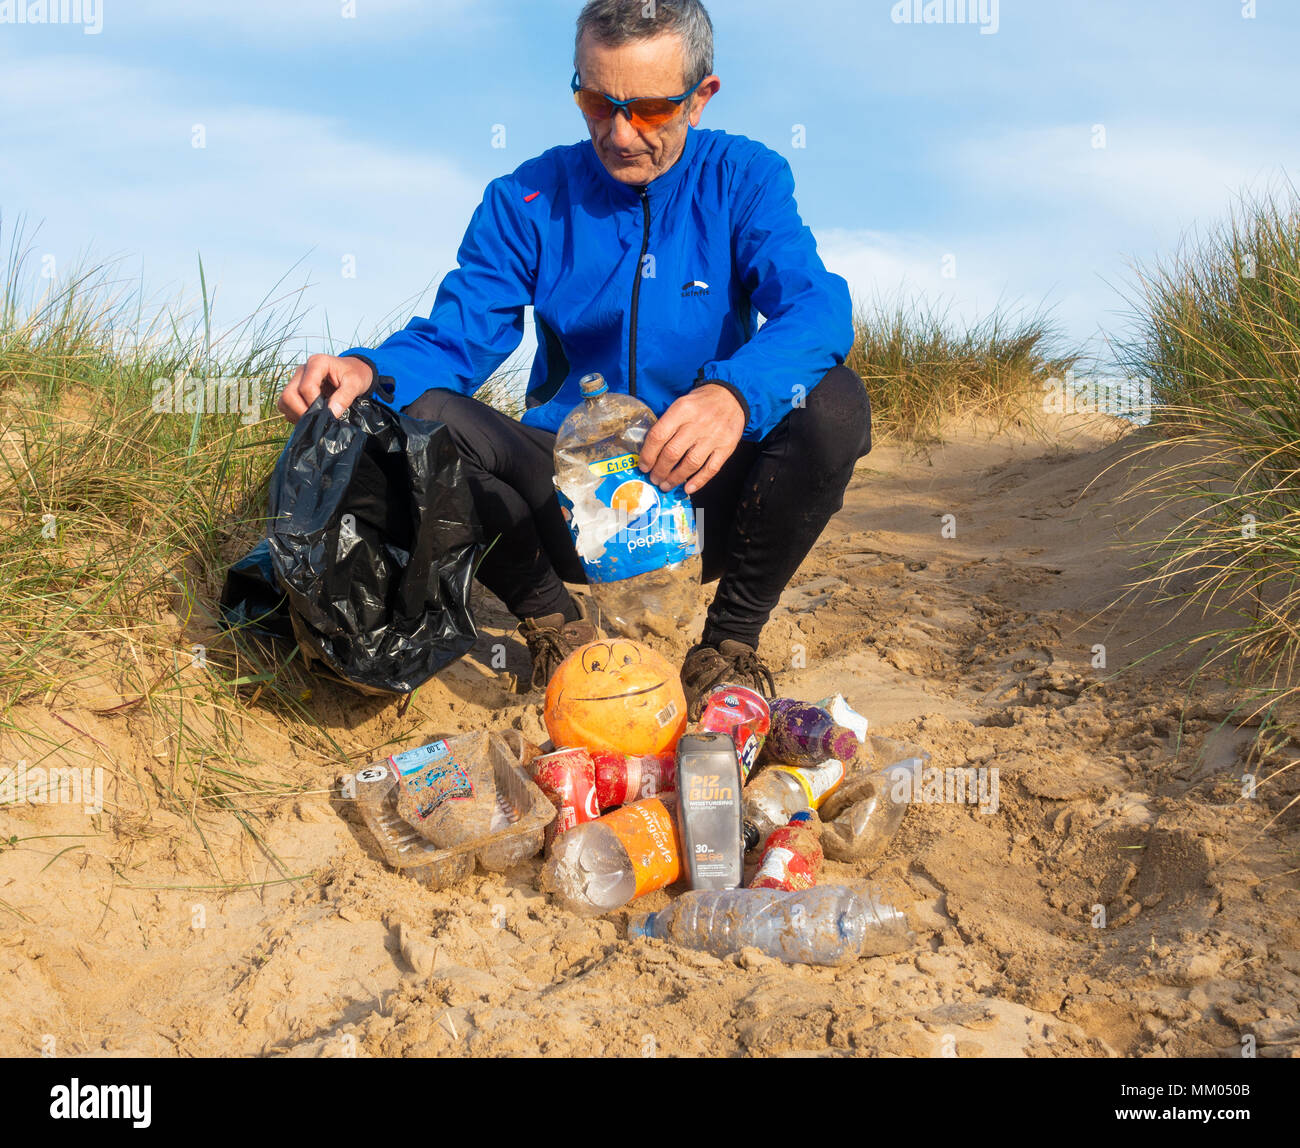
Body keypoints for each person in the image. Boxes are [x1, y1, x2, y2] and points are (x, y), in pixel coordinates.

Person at [276, 0, 871, 719]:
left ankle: (727, 649)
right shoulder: (525, 197)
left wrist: (735, 395)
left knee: (834, 403)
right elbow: (456, 340)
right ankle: (555, 625)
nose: (619, 134)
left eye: (650, 109)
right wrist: (371, 370)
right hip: (565, 503)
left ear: (702, 97)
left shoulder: (745, 177)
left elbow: (818, 310)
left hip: (700, 500)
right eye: (597, 102)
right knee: (427, 415)